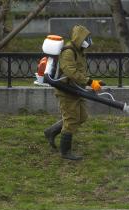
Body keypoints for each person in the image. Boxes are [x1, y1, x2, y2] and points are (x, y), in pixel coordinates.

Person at [44, 25, 105, 160]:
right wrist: (89, 82)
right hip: (66, 91)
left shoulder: (79, 51)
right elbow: (71, 72)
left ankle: (51, 131)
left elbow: (80, 72)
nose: (89, 41)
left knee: (82, 117)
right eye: (87, 38)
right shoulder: (68, 52)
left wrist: (94, 82)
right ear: (80, 38)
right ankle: (65, 152)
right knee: (71, 120)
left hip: (76, 90)